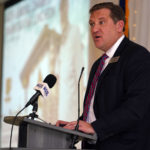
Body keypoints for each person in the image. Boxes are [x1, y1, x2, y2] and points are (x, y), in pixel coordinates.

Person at [56, 2, 150, 150]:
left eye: (101, 22)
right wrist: (74, 126)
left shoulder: (137, 56)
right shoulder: (98, 64)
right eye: (92, 24)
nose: (94, 29)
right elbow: (97, 112)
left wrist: (95, 127)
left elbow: (136, 108)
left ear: (119, 26)